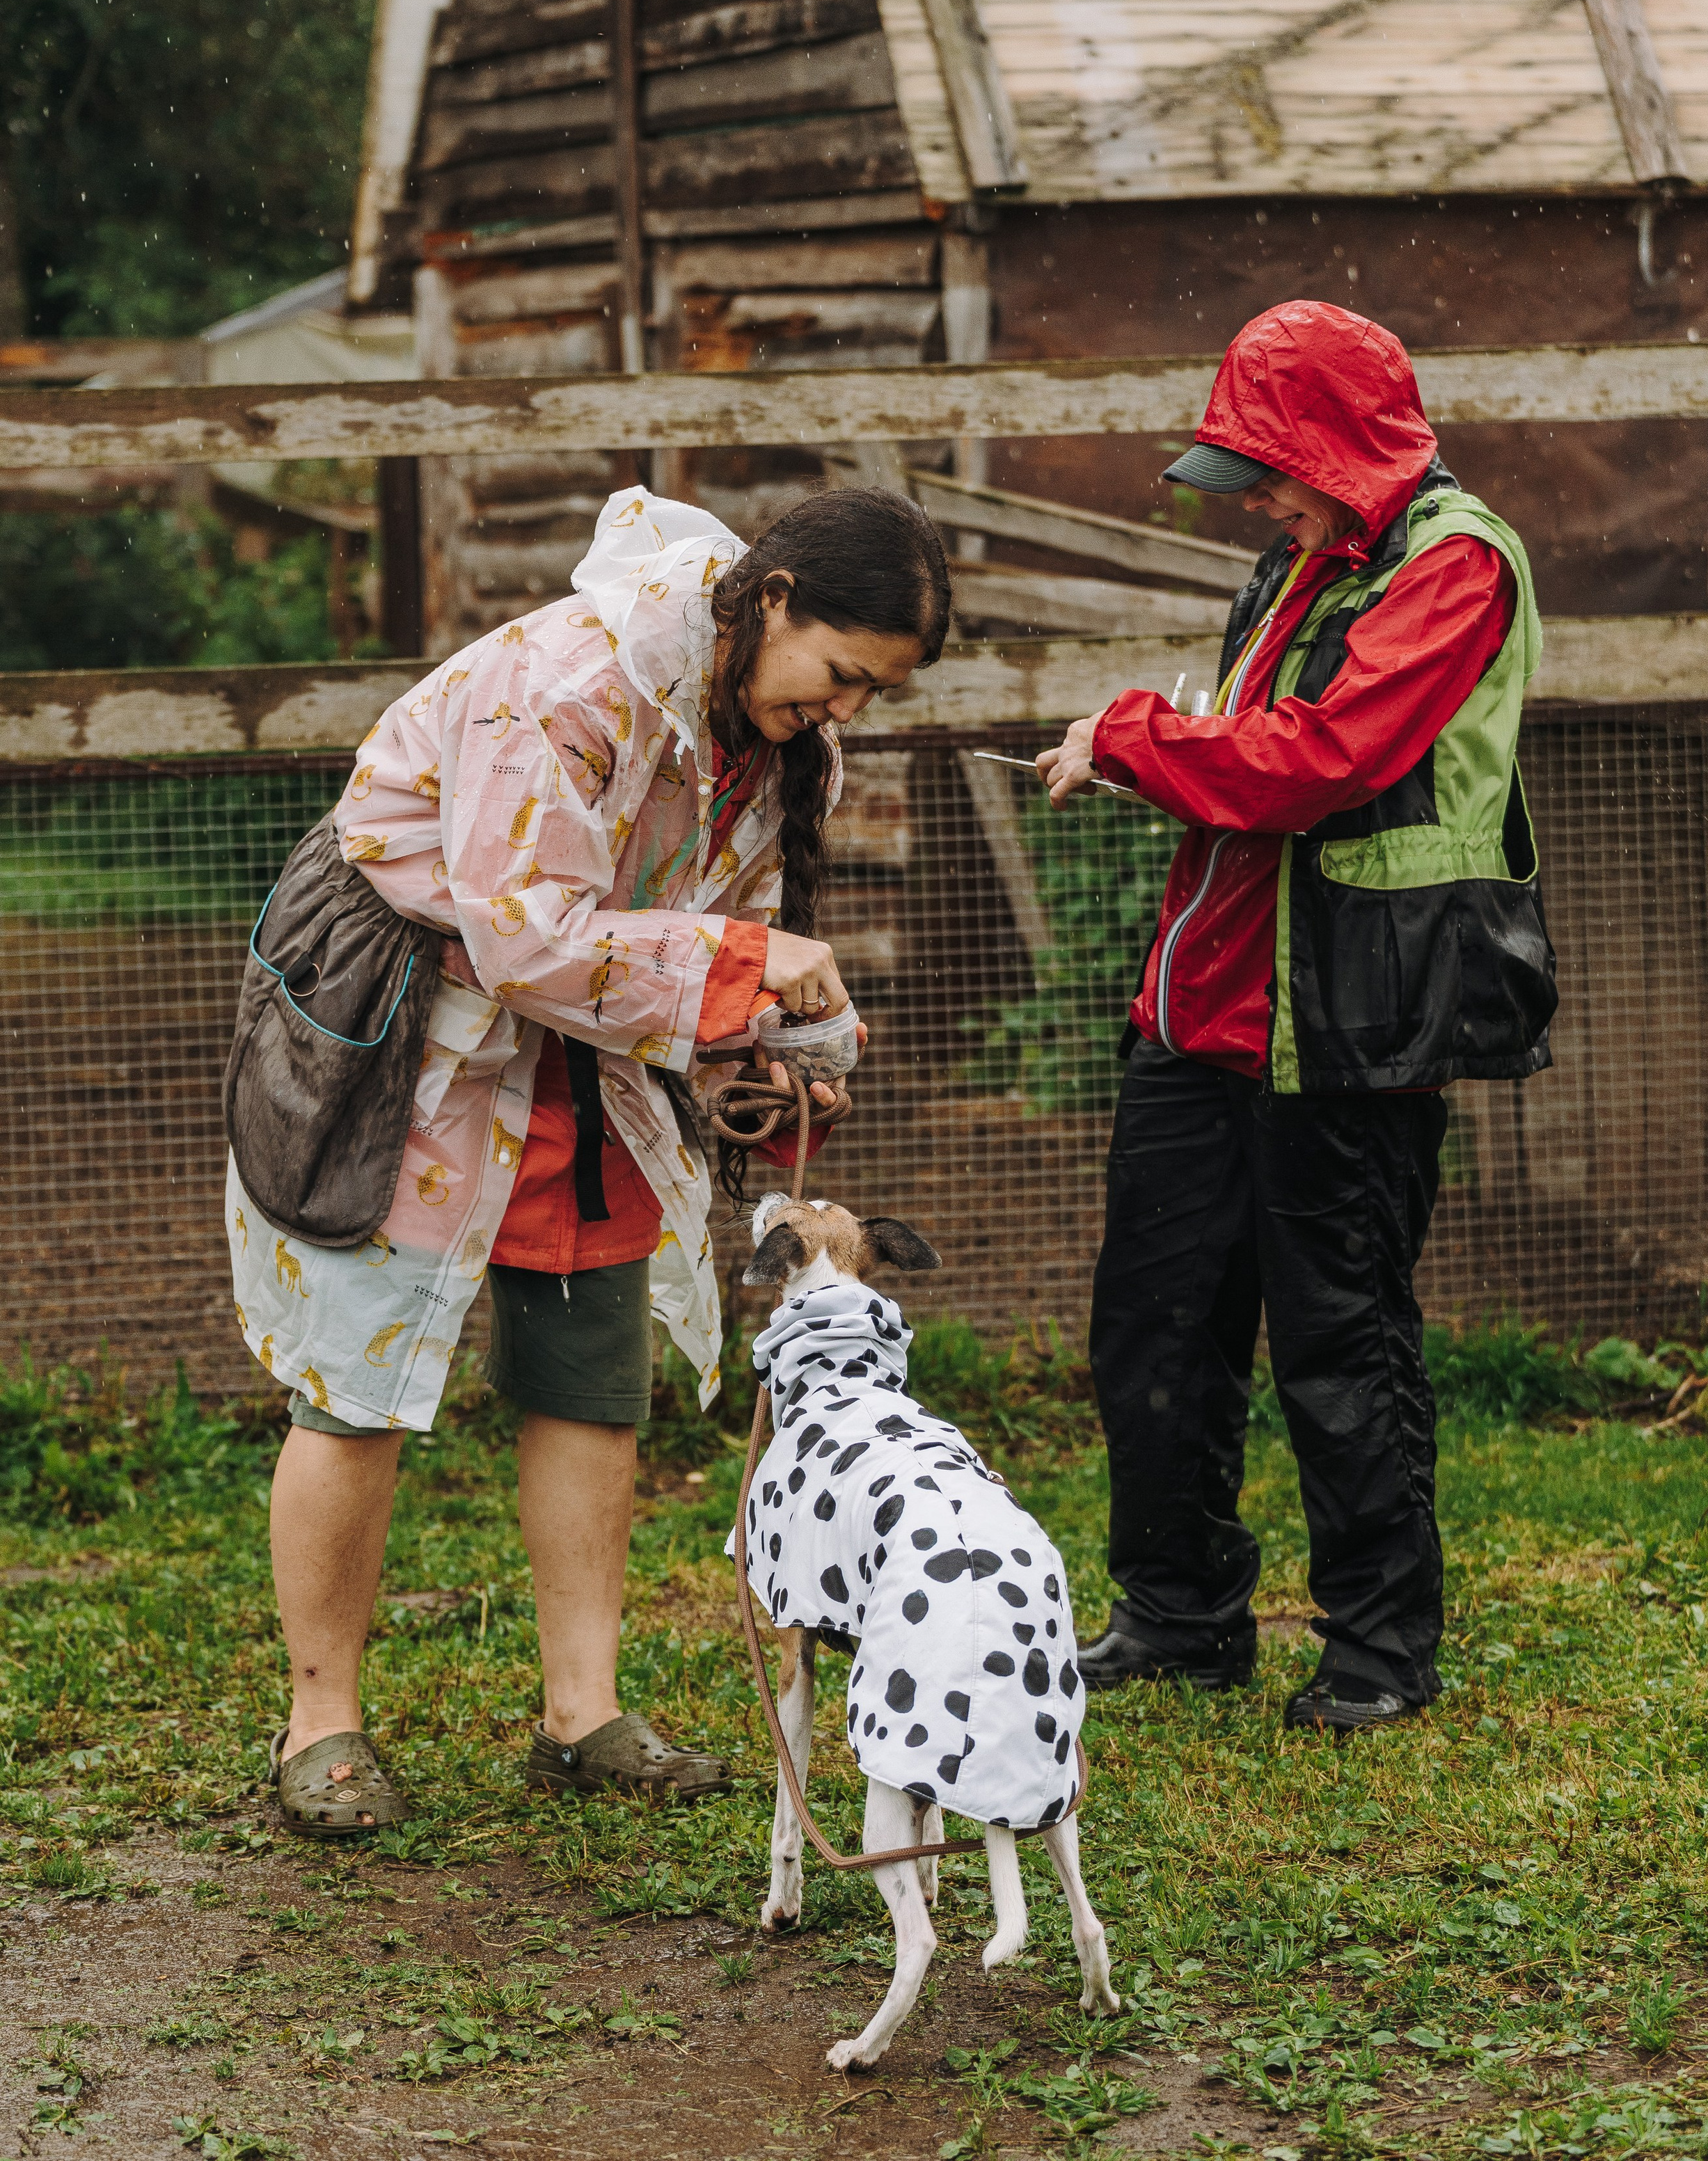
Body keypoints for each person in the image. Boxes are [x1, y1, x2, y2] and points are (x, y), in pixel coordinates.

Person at [229, 484, 952, 1833]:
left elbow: (695, 948)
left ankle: (584, 1710)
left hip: (586, 1054)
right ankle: (319, 1722)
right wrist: (744, 967)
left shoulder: (775, 734)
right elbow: (526, 940)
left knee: (589, 1360)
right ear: (774, 601)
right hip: (412, 1023)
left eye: (873, 692)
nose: (846, 710)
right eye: (842, 674)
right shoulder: (561, 688)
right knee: (361, 1375)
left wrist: (751, 1064)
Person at [1036, 301, 1556, 1731]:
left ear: (1335, 442)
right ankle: (1177, 1610)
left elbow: (1313, 763)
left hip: (1343, 1018)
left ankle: (1378, 1651)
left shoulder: (1452, 564)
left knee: (1340, 1340)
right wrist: (1166, 746)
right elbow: (1246, 755)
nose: (1251, 497)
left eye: (1266, 465)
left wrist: (1133, 732)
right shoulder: (1299, 555)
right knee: (1149, 1327)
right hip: (1195, 1014)